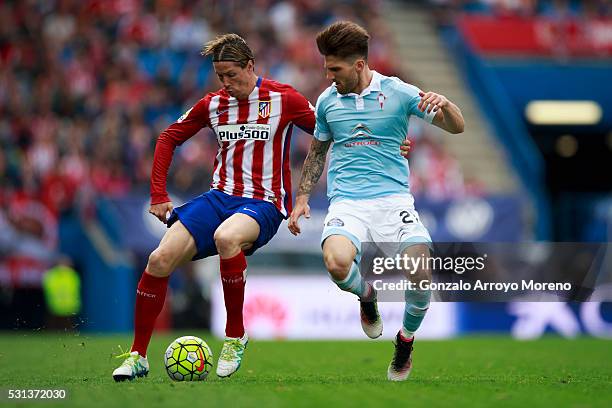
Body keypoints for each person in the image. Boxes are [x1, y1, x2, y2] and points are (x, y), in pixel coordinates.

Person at [113, 33, 315, 381]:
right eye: (220, 76)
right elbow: (168, 137)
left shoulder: (284, 98)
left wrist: (383, 144)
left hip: (263, 201)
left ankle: (235, 335)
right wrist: (158, 193)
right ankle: (138, 355)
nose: (226, 83)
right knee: (158, 260)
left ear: (250, 66)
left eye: (232, 75)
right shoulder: (214, 104)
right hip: (219, 197)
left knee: (227, 238)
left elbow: (329, 130)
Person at [288, 21, 464, 381]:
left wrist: (445, 103)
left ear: (358, 65)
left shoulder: (398, 92)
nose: (328, 75)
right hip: (347, 203)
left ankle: (405, 340)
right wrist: (302, 197)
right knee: (337, 263)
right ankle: (367, 295)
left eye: (334, 68)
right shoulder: (326, 102)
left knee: (420, 270)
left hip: (392, 201)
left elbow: (456, 127)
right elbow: (317, 152)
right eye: (326, 67)